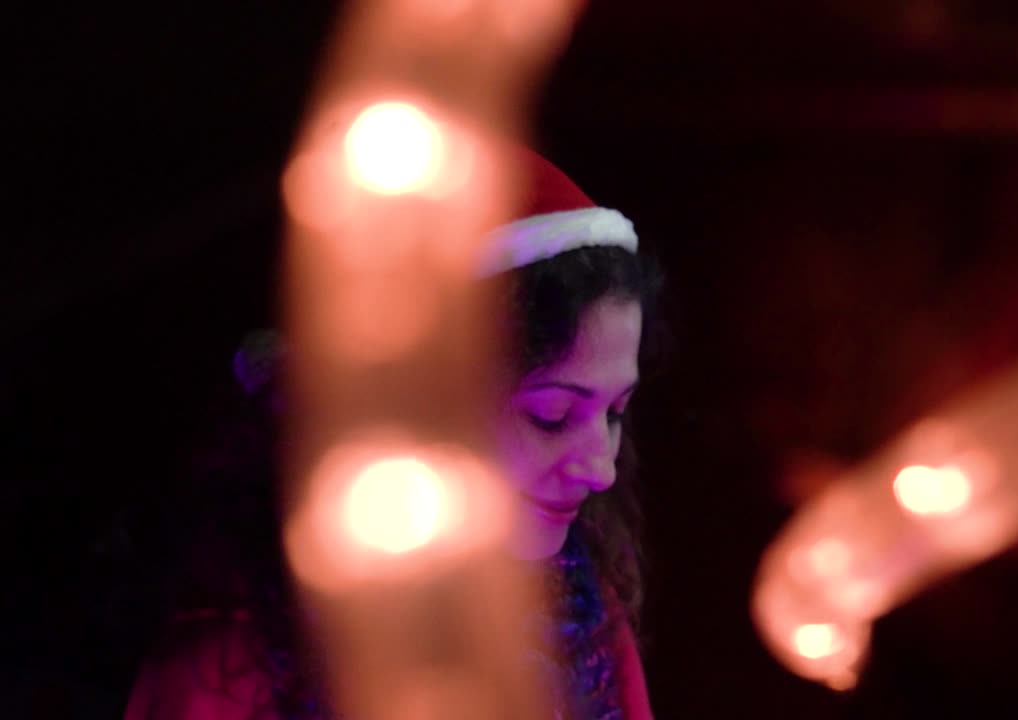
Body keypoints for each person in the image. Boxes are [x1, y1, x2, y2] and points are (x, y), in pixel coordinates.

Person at [123, 150, 660, 719]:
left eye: (615, 413)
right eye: (551, 415)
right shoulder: (229, 663)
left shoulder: (585, 624)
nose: (600, 468)